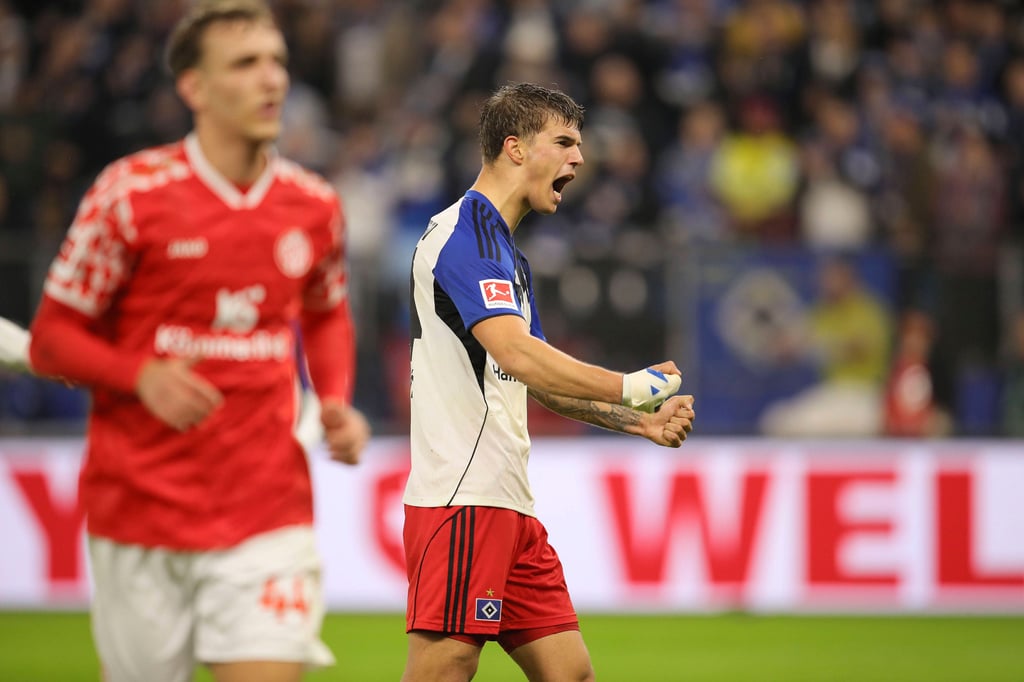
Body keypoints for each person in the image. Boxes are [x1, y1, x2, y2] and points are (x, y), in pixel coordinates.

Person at [26, 2, 370, 681]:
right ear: (195, 88)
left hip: (267, 509)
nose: (271, 79)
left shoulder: (313, 203)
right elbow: (51, 341)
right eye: (245, 64)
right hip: (140, 510)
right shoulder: (129, 195)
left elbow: (327, 314)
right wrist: (140, 376)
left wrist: (333, 399)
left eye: (277, 62)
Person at [402, 82, 696, 682]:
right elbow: (518, 351)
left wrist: (637, 421)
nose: (579, 159)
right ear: (514, 148)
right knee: (445, 666)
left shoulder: (507, 254)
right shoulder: (466, 236)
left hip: (509, 502)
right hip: (464, 496)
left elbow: (532, 379)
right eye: (563, 142)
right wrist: (629, 387)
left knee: (570, 673)